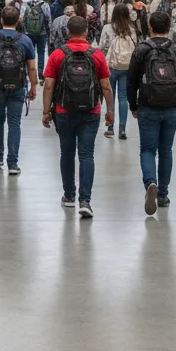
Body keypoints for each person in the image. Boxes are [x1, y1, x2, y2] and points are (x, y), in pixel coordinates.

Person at [42, 16, 113, 218]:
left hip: (64, 111)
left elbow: (48, 85)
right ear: (86, 32)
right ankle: (85, 201)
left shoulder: (57, 55)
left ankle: (69, 196)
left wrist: (46, 112)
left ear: (67, 33)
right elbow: (106, 86)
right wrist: (110, 111)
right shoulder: (97, 55)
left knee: (66, 153)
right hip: (91, 111)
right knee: (86, 155)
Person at [126, 11, 176, 215]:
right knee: (166, 151)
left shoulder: (142, 49)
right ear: (169, 27)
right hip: (172, 107)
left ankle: (150, 183)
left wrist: (133, 105)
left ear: (150, 26)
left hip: (147, 105)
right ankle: (162, 195)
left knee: (147, 150)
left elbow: (131, 80)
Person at [0, 6, 39, 175]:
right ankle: (12, 163)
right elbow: (32, 68)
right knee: (14, 123)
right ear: (19, 20)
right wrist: (33, 86)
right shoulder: (25, 40)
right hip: (18, 86)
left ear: (1, 20)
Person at [98, 3, 137, 140]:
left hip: (110, 66)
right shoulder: (131, 29)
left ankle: (110, 127)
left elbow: (102, 46)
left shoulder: (108, 28)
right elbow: (135, 46)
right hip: (126, 66)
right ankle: (122, 129)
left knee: (110, 96)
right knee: (123, 98)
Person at [20, 0, 51, 77]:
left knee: (29, 53)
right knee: (41, 53)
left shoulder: (25, 4)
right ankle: (40, 73)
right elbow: (48, 19)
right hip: (42, 32)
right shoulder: (44, 5)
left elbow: (22, 19)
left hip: (28, 33)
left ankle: (29, 72)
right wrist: (49, 32)